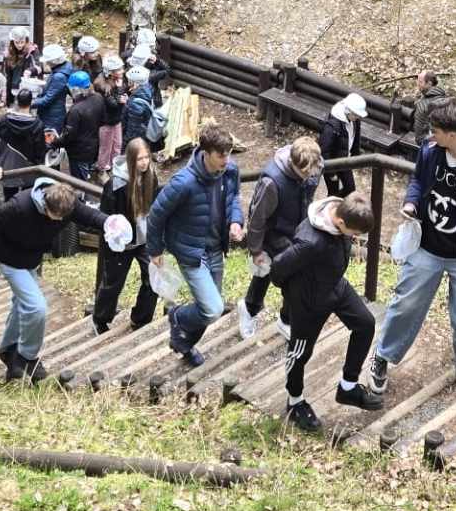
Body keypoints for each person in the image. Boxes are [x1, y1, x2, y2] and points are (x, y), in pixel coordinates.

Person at [0, 176, 127, 383]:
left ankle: (9, 349)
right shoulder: (18, 207)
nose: (57, 221)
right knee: (36, 307)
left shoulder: (67, 203)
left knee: (22, 303)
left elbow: (90, 215)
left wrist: (110, 222)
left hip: (31, 260)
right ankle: (27, 356)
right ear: (45, 204)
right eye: (54, 216)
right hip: (8, 259)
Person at [368, 99, 456, 395]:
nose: (431, 135)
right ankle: (382, 356)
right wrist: (411, 201)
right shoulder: (431, 152)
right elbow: (418, 180)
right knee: (405, 304)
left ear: (454, 134)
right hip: (427, 247)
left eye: (436, 131)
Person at [273, 192, 383, 433]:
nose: (354, 238)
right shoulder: (311, 242)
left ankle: (348, 386)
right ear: (341, 223)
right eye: (354, 234)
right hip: (309, 301)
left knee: (365, 324)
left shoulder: (340, 212)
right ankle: (294, 402)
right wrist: (292, 301)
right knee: (300, 354)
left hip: (335, 286)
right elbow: (279, 268)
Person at [144, 122, 244, 367]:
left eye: (228, 153)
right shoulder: (183, 182)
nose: (226, 159)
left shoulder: (229, 171)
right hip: (191, 252)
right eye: (221, 155)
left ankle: (184, 343)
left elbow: (234, 199)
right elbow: (156, 215)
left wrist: (236, 221)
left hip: (216, 249)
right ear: (205, 152)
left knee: (210, 308)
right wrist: (155, 250)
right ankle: (176, 316)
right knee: (212, 309)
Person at [238, 136, 322, 340]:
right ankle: (252, 310)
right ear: (293, 163)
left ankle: (283, 318)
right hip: (273, 233)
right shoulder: (272, 182)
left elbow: (307, 194)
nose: (309, 175)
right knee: (270, 272)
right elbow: (257, 219)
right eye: (304, 172)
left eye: (312, 170)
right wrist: (256, 250)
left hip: (297, 229)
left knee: (285, 275)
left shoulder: (315, 166)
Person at [93, 137, 159, 332]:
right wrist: (115, 239)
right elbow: (106, 216)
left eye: (147, 157)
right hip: (121, 241)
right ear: (131, 160)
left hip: (144, 238)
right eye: (140, 159)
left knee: (152, 276)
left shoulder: (151, 177)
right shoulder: (116, 184)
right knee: (113, 282)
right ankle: (100, 319)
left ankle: (141, 318)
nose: (145, 162)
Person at [0, 88, 45, 185]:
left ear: (17, 101)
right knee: (26, 195)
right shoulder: (37, 124)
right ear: (31, 102)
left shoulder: (4, 120)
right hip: (29, 165)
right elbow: (39, 149)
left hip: (8, 163)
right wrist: (39, 163)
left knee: (9, 195)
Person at [318, 93, 367, 200]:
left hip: (345, 160)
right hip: (332, 164)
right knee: (333, 193)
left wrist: (355, 155)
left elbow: (355, 139)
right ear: (348, 111)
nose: (358, 117)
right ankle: (330, 207)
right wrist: (331, 173)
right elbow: (324, 151)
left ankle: (338, 205)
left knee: (350, 189)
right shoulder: (332, 127)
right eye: (356, 115)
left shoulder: (354, 120)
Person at [60, 70, 103, 181]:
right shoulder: (98, 98)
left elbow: (69, 136)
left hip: (78, 152)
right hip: (93, 147)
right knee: (85, 175)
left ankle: (82, 198)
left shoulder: (76, 110)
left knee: (79, 182)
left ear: (76, 89)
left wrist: (55, 142)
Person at [122, 59, 166, 156]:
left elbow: (132, 131)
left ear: (136, 83)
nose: (128, 82)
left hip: (138, 140)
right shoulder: (148, 89)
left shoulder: (136, 104)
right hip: (145, 133)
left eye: (130, 80)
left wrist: (124, 148)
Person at [33, 44, 73, 136]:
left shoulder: (59, 76)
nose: (47, 63)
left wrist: (31, 103)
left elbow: (48, 99)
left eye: (48, 61)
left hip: (51, 117)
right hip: (54, 114)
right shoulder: (63, 68)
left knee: (49, 143)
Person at [96, 56, 126, 174]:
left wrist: (121, 94)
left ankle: (115, 165)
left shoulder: (117, 81)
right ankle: (102, 169)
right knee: (106, 148)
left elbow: (120, 98)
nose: (122, 71)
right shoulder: (103, 86)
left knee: (117, 145)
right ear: (111, 72)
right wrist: (119, 92)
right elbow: (113, 104)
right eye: (118, 70)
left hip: (116, 119)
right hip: (106, 122)